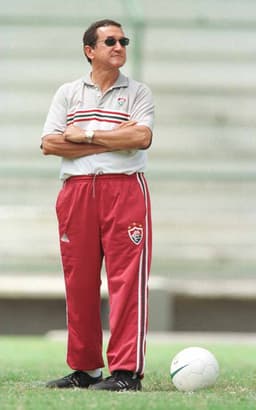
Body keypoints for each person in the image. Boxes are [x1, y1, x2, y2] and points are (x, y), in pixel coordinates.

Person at [41, 19, 154, 392]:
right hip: (76, 193)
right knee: (80, 282)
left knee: (127, 282)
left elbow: (140, 137)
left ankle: (125, 373)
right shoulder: (68, 93)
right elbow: (50, 143)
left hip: (124, 190)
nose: (119, 46)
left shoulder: (138, 93)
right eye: (110, 41)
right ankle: (86, 369)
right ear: (91, 50)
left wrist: (87, 134)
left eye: (123, 40)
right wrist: (113, 140)